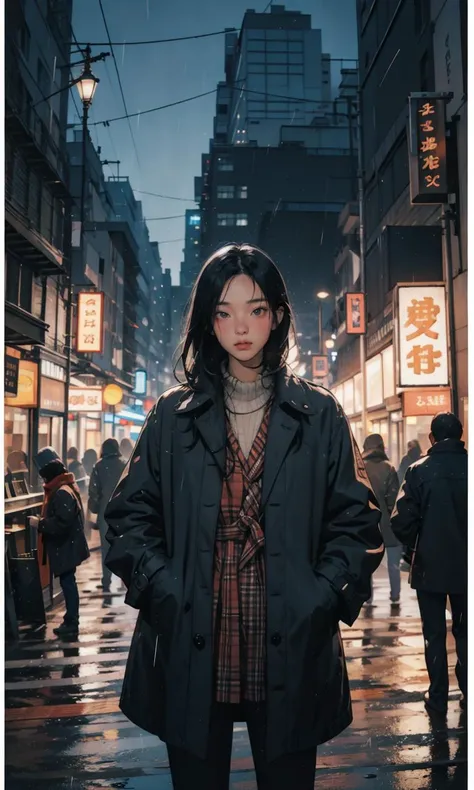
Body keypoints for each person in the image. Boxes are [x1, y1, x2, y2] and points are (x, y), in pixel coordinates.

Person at [104, 243, 383, 790]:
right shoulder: (171, 415)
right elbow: (127, 521)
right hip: (192, 642)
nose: (241, 327)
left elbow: (357, 524)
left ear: (278, 316)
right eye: (224, 311)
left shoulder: (318, 412)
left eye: (256, 309)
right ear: (208, 321)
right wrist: (166, 591)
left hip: (288, 640)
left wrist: (320, 597)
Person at [391, 412, 467, 716]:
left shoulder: (418, 471)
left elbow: (402, 521)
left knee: (433, 632)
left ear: (431, 439)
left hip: (430, 566)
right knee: (467, 631)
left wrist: (414, 546)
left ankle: (437, 695)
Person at [31, 447, 90, 637]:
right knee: (68, 582)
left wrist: (39, 523)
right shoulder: (65, 487)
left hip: (66, 547)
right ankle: (70, 619)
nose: (43, 481)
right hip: (68, 546)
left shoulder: (61, 492)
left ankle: (71, 621)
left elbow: (61, 523)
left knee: (68, 583)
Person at [362, 434, 402, 605]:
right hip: (388, 524)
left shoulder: (359, 467)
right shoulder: (389, 468)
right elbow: (394, 499)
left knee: (366, 563)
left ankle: (367, 597)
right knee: (393, 564)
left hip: (365, 523)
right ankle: (395, 595)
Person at [87, 439, 126, 592]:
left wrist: (95, 508)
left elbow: (93, 491)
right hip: (122, 512)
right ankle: (125, 581)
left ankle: (106, 581)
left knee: (106, 548)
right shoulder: (124, 464)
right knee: (124, 545)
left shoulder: (98, 466)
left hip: (105, 513)